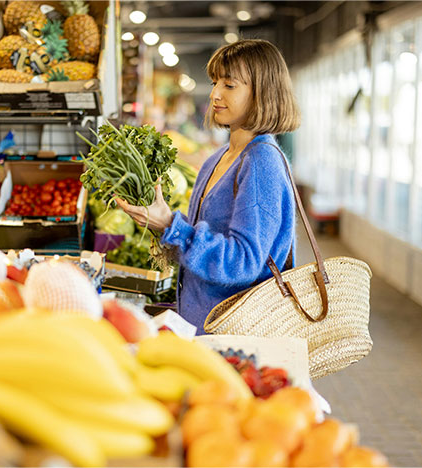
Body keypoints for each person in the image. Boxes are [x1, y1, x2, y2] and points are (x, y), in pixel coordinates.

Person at [115, 39, 301, 334]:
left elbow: (243, 262)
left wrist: (173, 226)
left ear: (263, 91)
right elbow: (205, 241)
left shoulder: (261, 161)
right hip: (202, 325)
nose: (215, 94)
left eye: (230, 85)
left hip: (235, 334)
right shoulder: (219, 158)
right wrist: (162, 225)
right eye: (215, 82)